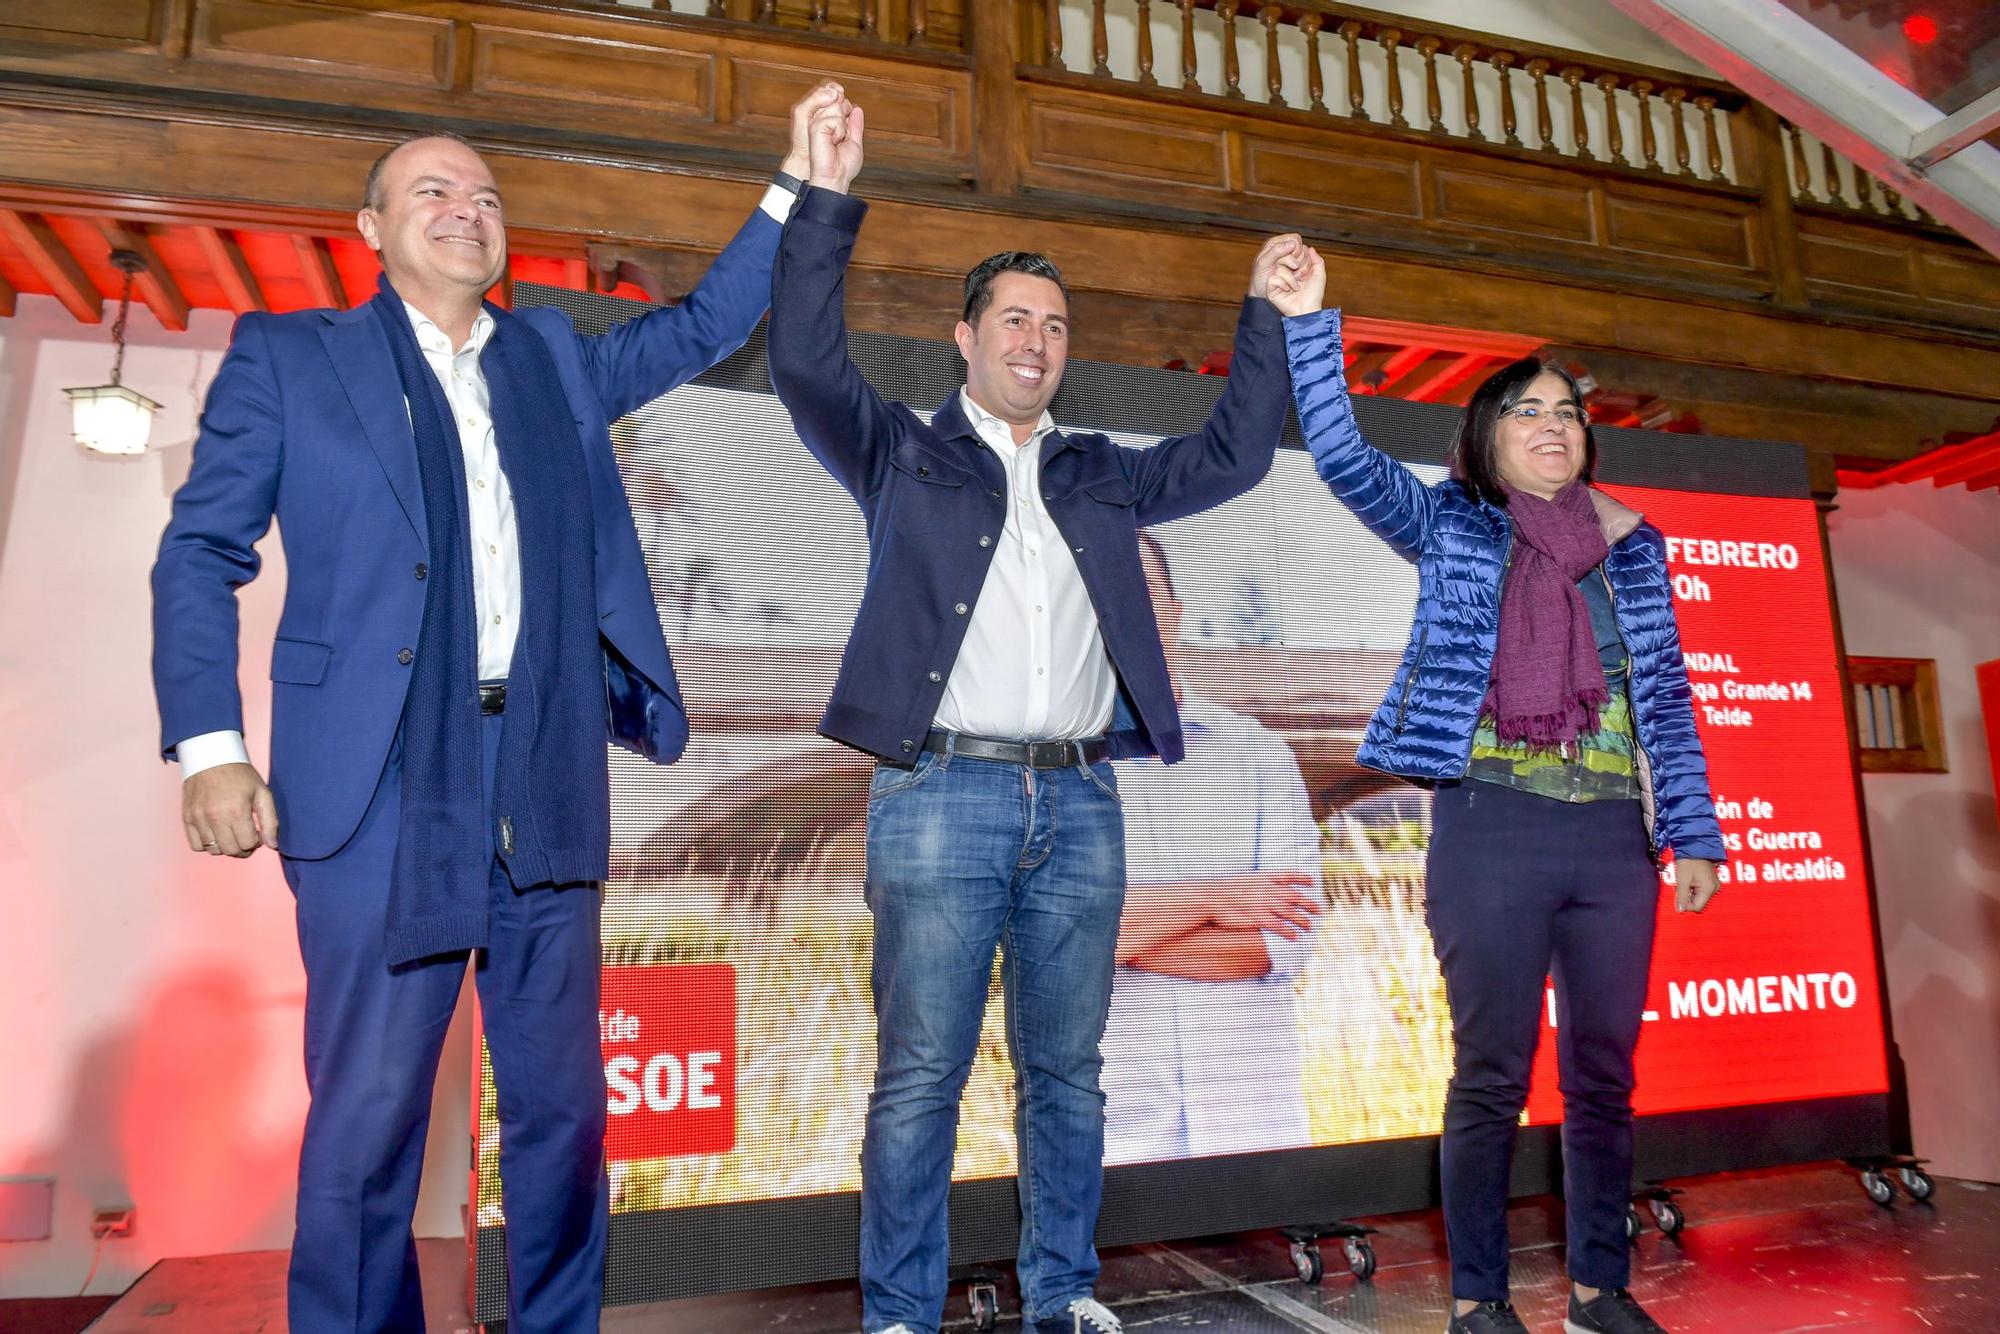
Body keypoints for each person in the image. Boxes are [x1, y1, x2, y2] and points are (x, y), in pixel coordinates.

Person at [151, 84, 845, 1333]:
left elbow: (701, 324)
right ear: (368, 227)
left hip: (538, 761)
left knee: (561, 1110)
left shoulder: (552, 363)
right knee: (366, 1114)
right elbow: (200, 552)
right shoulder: (290, 358)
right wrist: (211, 746)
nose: (466, 210)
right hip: (377, 782)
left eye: (485, 197)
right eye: (433, 190)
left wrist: (796, 186)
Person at [766, 101, 1318, 1334]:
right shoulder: (900, 454)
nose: (1036, 337)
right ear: (964, 339)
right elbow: (804, 362)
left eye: (1054, 324)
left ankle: (1063, 1292)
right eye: (1012, 317)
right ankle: (900, 1310)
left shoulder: (1100, 471)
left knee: (1066, 1071)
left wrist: (1267, 315)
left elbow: (1233, 455)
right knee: (919, 1076)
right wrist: (822, 199)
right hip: (939, 796)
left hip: (1079, 797)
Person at [1278, 250, 1725, 1334]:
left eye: (1566, 411)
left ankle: (1595, 1290)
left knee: (1603, 1079)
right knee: (1488, 1076)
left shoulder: (1630, 549)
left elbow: (1663, 698)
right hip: (1491, 827)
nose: (1552, 423)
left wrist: (1697, 833)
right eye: (1526, 410)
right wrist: (1304, 322)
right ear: (1484, 436)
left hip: (1616, 838)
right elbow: (1338, 454)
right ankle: (1480, 1297)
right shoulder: (1451, 523)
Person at [1101, 530, 1323, 1165]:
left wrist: (1119, 929)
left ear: (1173, 608)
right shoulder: (1048, 771)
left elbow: (1283, 941)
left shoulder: (1258, 756)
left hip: (1254, 1124)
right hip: (1109, 1134)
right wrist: (1219, 898)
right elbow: (1052, 935)